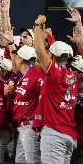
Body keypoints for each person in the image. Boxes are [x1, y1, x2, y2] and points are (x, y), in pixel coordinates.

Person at [34, 15, 77, 164]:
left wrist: (37, 26)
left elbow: (39, 50)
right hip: (69, 135)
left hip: (55, 134)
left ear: (52, 56)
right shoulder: (74, 74)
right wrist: (51, 39)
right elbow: (58, 55)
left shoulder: (55, 74)